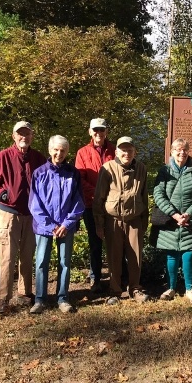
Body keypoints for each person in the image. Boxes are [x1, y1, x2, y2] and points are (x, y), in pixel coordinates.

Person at [0, 121, 46, 315]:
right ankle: (4, 298)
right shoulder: (2, 157)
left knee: (27, 256)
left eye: (27, 134)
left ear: (32, 136)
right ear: (13, 136)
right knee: (7, 257)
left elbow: (46, 180)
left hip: (31, 214)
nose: (23, 137)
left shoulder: (38, 158)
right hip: (9, 213)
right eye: (20, 134)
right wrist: (1, 193)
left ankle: (25, 293)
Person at [29, 135, 85, 314]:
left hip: (66, 227)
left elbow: (78, 202)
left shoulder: (73, 173)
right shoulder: (39, 173)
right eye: (56, 150)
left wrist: (66, 224)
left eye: (63, 150)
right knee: (41, 262)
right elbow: (34, 203)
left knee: (65, 262)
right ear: (50, 150)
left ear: (67, 152)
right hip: (44, 227)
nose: (59, 153)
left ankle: (63, 298)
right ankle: (40, 299)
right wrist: (50, 226)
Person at [93, 137, 150, 305]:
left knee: (136, 256)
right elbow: (98, 198)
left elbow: (144, 196)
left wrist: (144, 221)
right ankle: (115, 291)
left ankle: (135, 288)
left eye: (130, 150)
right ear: (116, 151)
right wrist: (99, 223)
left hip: (135, 219)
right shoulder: (107, 168)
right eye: (123, 150)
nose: (127, 153)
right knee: (114, 256)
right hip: (113, 220)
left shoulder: (141, 168)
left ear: (135, 152)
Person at [153, 138, 192, 305]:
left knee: (189, 253)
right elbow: (158, 194)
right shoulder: (164, 171)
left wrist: (188, 214)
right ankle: (171, 288)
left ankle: (190, 289)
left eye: (184, 149)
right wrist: (174, 215)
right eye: (178, 149)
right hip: (170, 221)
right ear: (171, 152)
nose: (181, 152)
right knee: (171, 254)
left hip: (190, 221)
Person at [74, 118, 116, 293]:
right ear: (90, 132)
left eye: (102, 130)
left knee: (115, 241)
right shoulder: (82, 153)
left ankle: (118, 276)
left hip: (113, 204)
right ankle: (95, 278)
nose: (99, 133)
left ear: (106, 131)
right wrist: (98, 193)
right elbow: (80, 179)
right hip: (91, 205)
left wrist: (110, 195)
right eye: (95, 130)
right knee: (95, 242)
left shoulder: (115, 150)